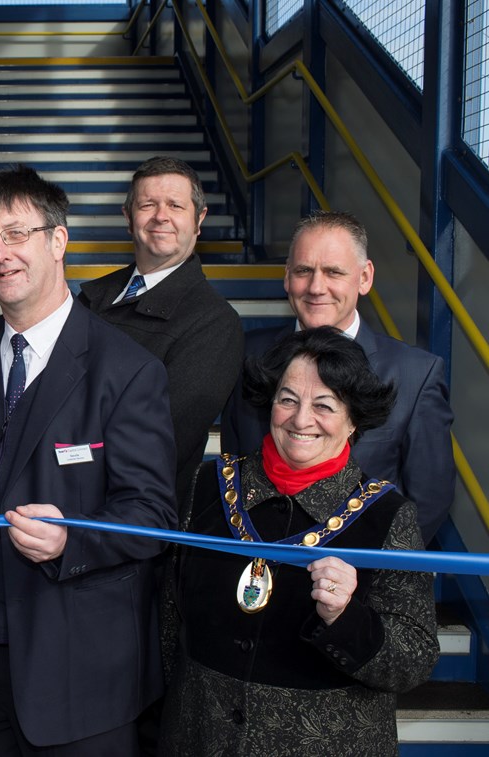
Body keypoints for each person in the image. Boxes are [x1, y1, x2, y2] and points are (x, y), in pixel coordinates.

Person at [0, 165, 178, 756]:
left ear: (58, 241)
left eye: (16, 233)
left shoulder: (127, 370)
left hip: (78, 675)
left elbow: (153, 513)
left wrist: (72, 542)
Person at [162, 326, 439, 756]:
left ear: (353, 420)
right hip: (201, 735)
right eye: (287, 399)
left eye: (324, 405)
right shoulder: (209, 484)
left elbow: (414, 660)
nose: (300, 419)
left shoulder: (389, 516)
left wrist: (348, 618)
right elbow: (168, 615)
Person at [220, 211, 454, 542]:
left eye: (334, 272)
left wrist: (364, 576)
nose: (316, 287)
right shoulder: (247, 355)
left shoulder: (416, 374)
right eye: (303, 271)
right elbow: (235, 467)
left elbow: (429, 499)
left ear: (364, 277)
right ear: (287, 277)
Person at [78, 155, 243, 505]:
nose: (160, 216)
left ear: (199, 220)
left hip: (130, 516)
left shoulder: (215, 323)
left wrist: (62, 455)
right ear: (128, 217)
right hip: (61, 497)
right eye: (147, 204)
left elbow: (160, 438)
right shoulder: (89, 297)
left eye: (175, 205)